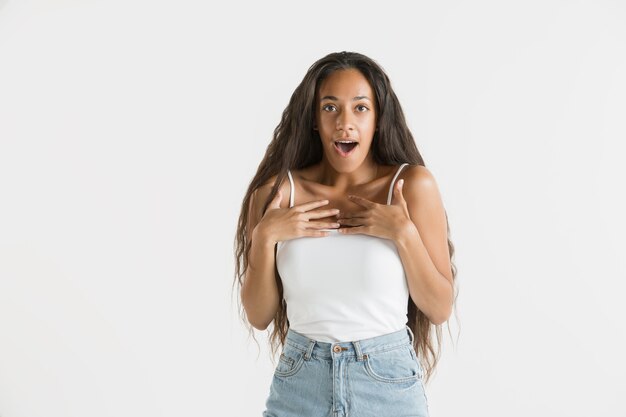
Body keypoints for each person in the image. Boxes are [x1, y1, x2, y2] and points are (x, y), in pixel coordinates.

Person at [233, 51, 457, 417]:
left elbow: (439, 307)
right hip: (300, 385)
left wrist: (403, 232)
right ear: (314, 121)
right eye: (330, 108)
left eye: (360, 108)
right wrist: (264, 238)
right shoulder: (278, 194)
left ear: (378, 119)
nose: (345, 124)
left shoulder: (412, 186)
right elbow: (259, 316)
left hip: (385, 385)